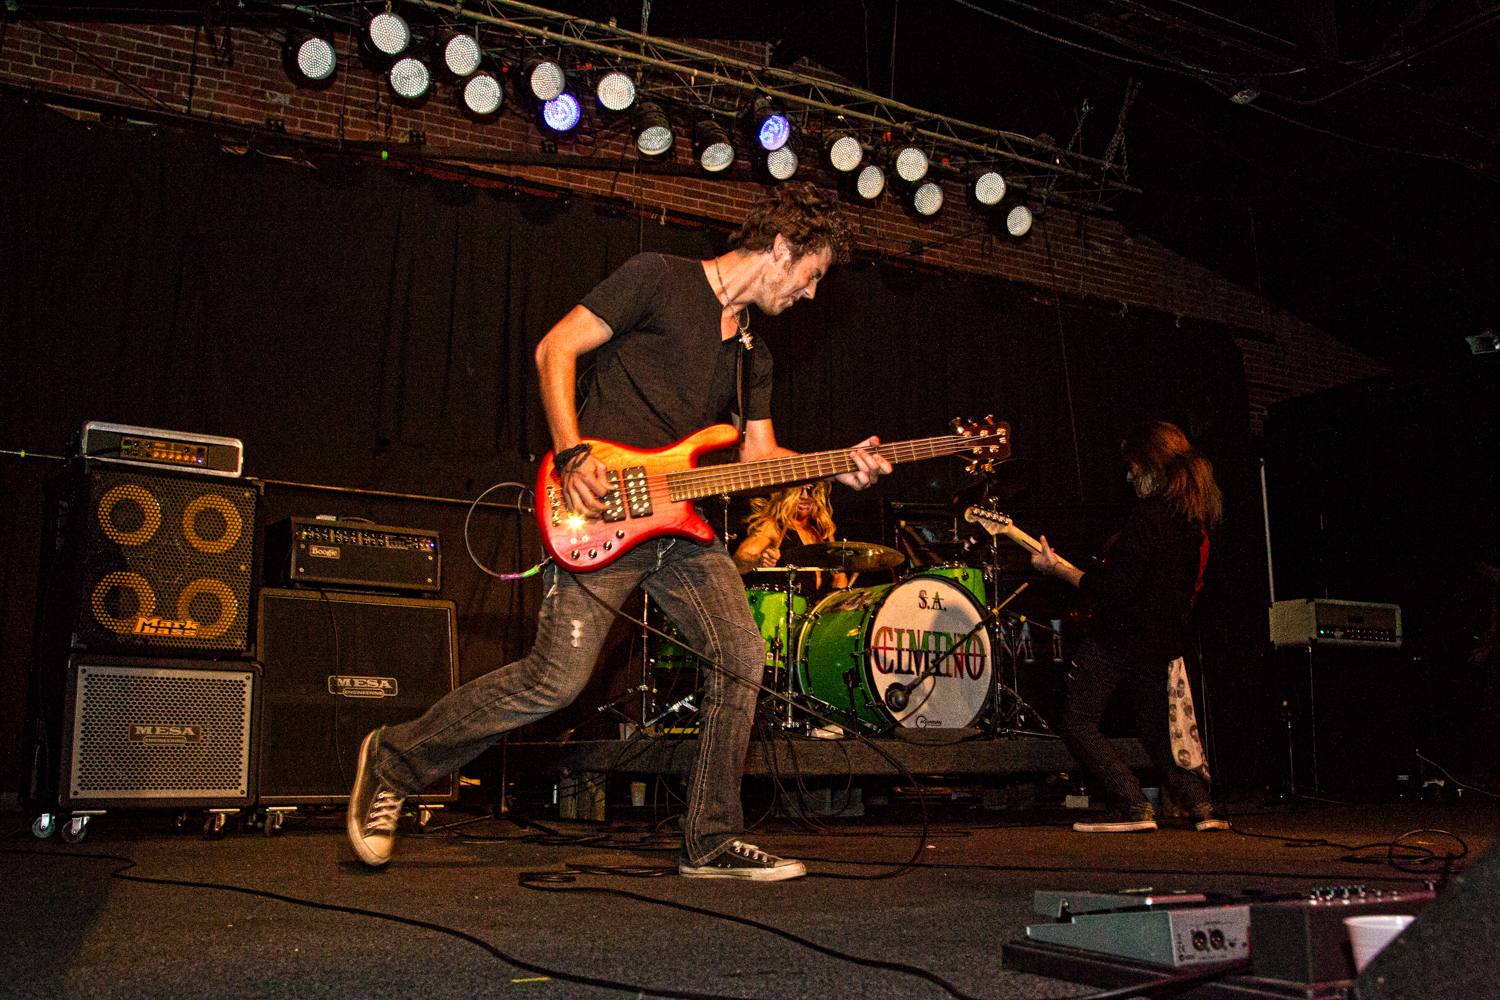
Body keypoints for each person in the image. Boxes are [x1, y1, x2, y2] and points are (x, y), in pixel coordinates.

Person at [346, 182, 891, 879]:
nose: (811, 293)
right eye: (811, 275)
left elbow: (757, 458)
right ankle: (392, 761)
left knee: (741, 655)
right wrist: (573, 453)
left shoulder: (754, 354)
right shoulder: (658, 278)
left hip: (680, 529)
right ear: (782, 248)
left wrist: (837, 464)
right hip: (599, 510)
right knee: (555, 682)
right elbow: (555, 349)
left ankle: (711, 840)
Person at [1029, 421, 1228, 832]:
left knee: (1078, 721)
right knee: (1158, 732)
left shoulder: (1147, 515)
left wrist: (1057, 569)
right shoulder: (1192, 523)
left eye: (1133, 468)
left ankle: (1131, 804)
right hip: (1164, 641)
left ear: (1152, 465)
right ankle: (1201, 807)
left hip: (1119, 635)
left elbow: (1115, 589)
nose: (1129, 477)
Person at [733, 482, 853, 596]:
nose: (805, 496)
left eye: (810, 490)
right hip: (783, 606)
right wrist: (760, 560)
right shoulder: (774, 527)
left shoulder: (822, 532)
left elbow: (839, 576)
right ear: (787, 494)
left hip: (817, 608)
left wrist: (840, 602)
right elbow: (739, 560)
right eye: (799, 490)